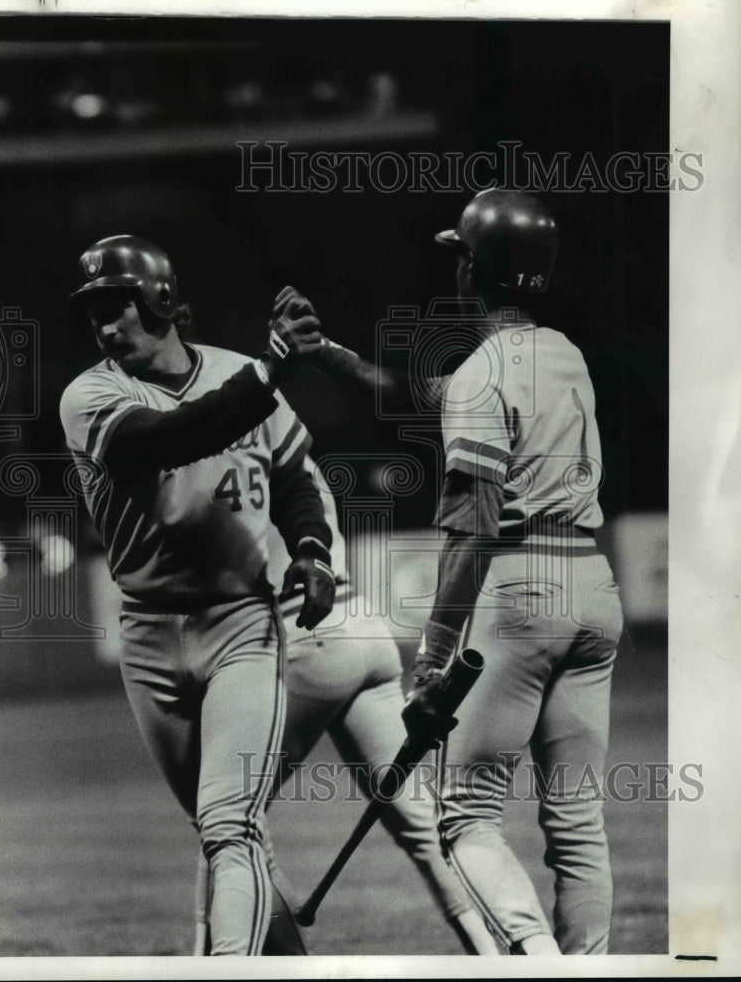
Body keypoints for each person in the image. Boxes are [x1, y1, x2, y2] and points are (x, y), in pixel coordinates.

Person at [276, 189, 625, 955]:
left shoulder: (479, 377)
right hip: (594, 589)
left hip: (520, 588)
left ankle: (534, 962)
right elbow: (419, 399)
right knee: (575, 819)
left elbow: (469, 531)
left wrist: (433, 657)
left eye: (459, 254)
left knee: (465, 816)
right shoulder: (563, 354)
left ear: (473, 267)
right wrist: (327, 357)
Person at [59, 234, 336, 956]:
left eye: (113, 304)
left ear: (157, 298)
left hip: (241, 622)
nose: (102, 322)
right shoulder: (90, 395)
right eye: (92, 309)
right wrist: (273, 369)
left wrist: (311, 549)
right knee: (232, 840)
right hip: (147, 638)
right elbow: (175, 436)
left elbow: (294, 479)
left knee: (229, 825)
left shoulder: (242, 372)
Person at [193, 454, 498, 956]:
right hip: (363, 631)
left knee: (228, 819)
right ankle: (489, 954)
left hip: (300, 638)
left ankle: (216, 958)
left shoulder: (222, 464)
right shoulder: (295, 458)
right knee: (418, 824)